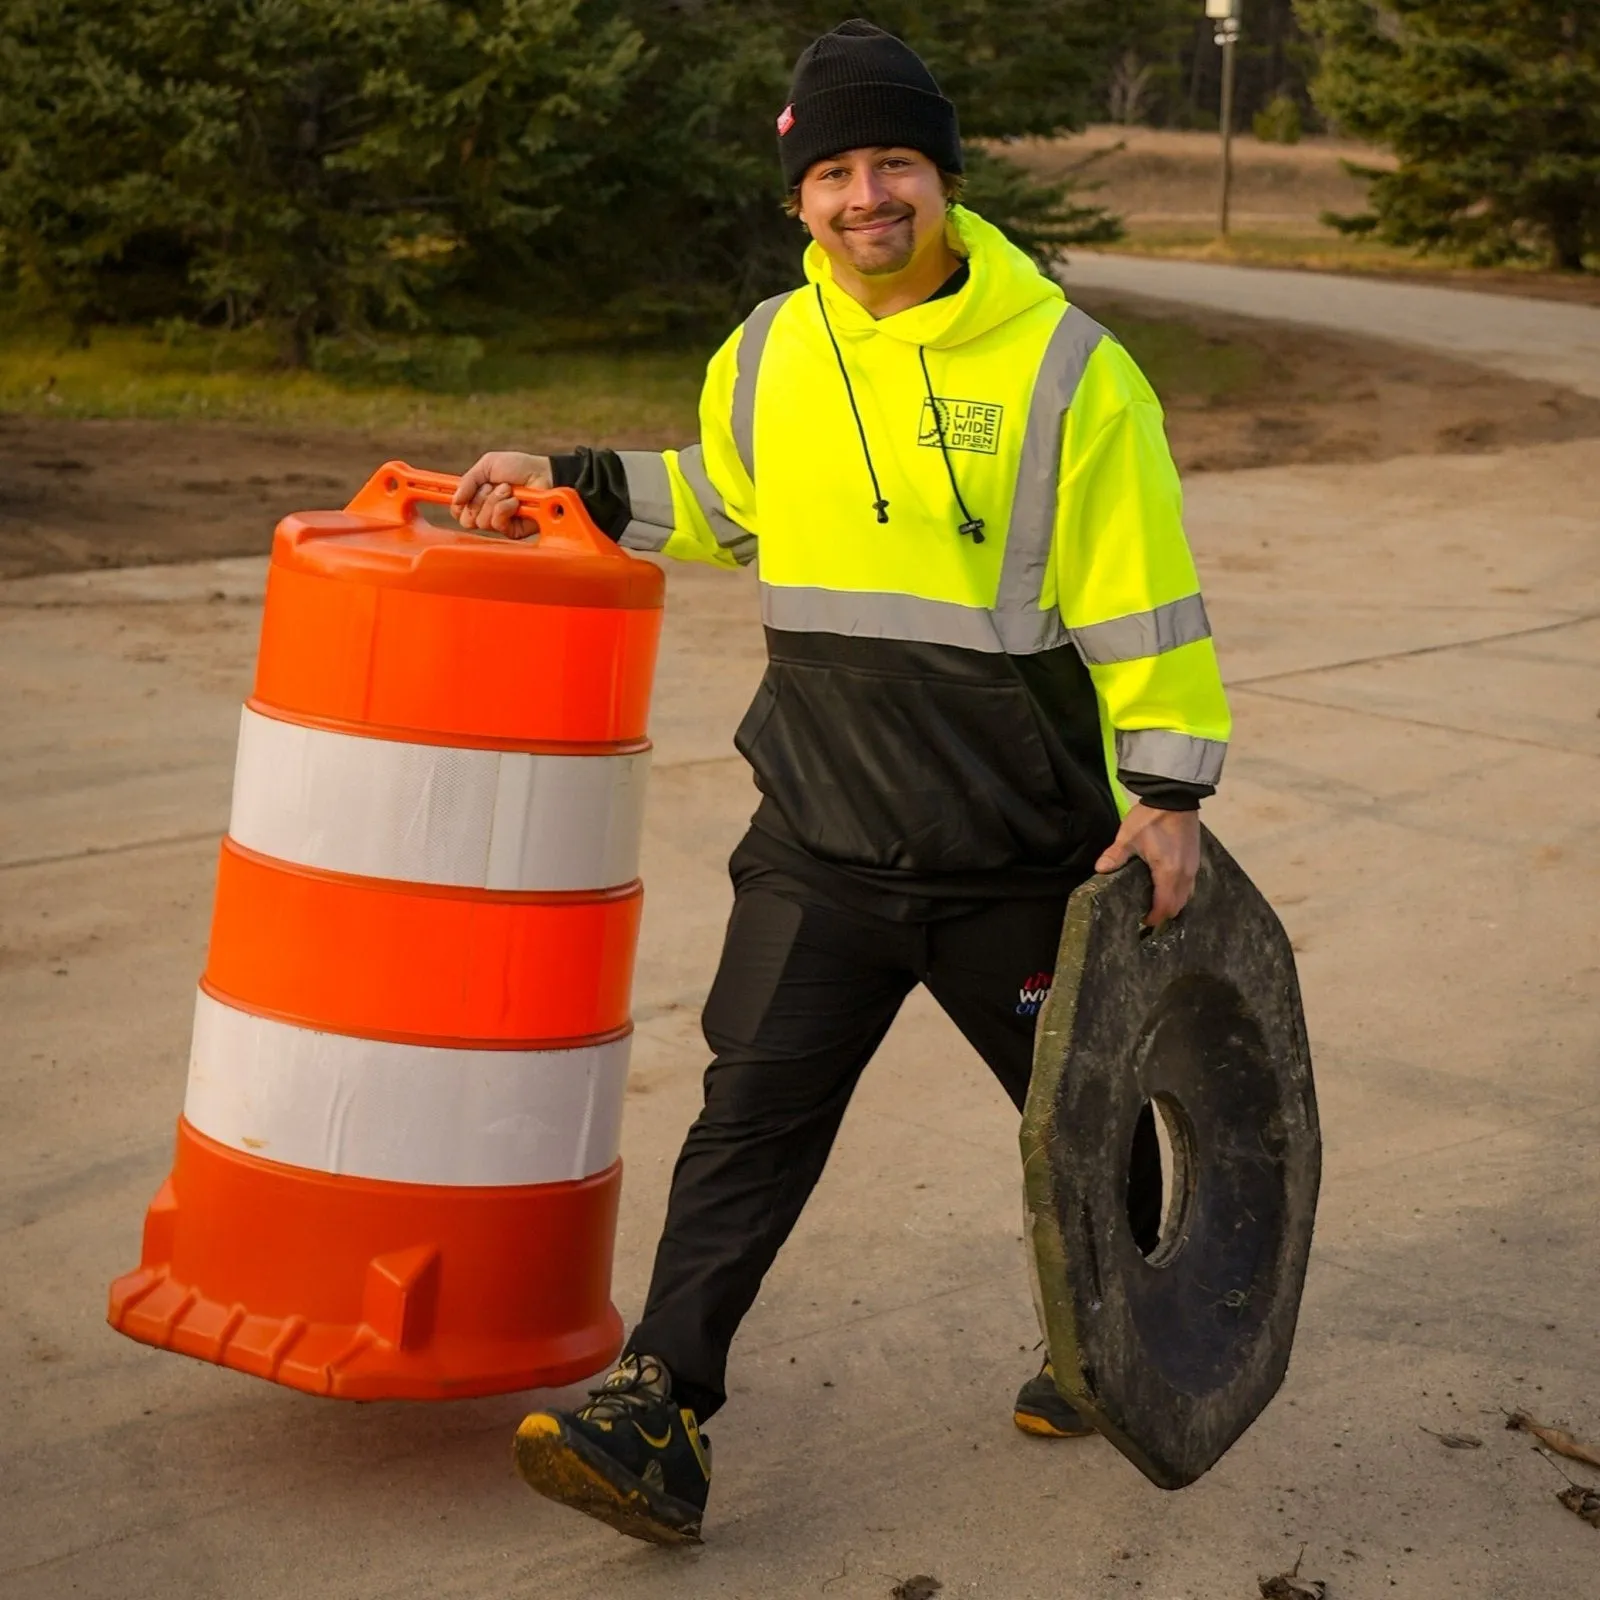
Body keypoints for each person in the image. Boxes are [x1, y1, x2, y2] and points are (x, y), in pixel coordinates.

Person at [450, 18, 1230, 1547]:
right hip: (819, 830)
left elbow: (1144, 592)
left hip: (1013, 847)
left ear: (942, 178)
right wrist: (571, 479)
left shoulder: (1068, 366)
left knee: (1074, 1114)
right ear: (799, 196)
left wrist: (1169, 791)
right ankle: (656, 1405)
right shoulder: (766, 350)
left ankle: (1117, 1342)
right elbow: (726, 503)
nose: (865, 197)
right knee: (751, 1112)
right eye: (834, 173)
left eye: (894, 165)